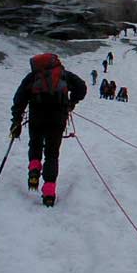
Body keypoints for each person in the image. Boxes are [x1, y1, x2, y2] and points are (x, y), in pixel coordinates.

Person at [10, 53, 86, 207]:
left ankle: (34, 170)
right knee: (52, 154)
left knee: (35, 144)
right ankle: (49, 193)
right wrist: (72, 102)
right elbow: (81, 88)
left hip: (37, 117)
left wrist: (16, 120)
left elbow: (19, 98)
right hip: (58, 119)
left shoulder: (33, 76)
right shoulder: (64, 75)